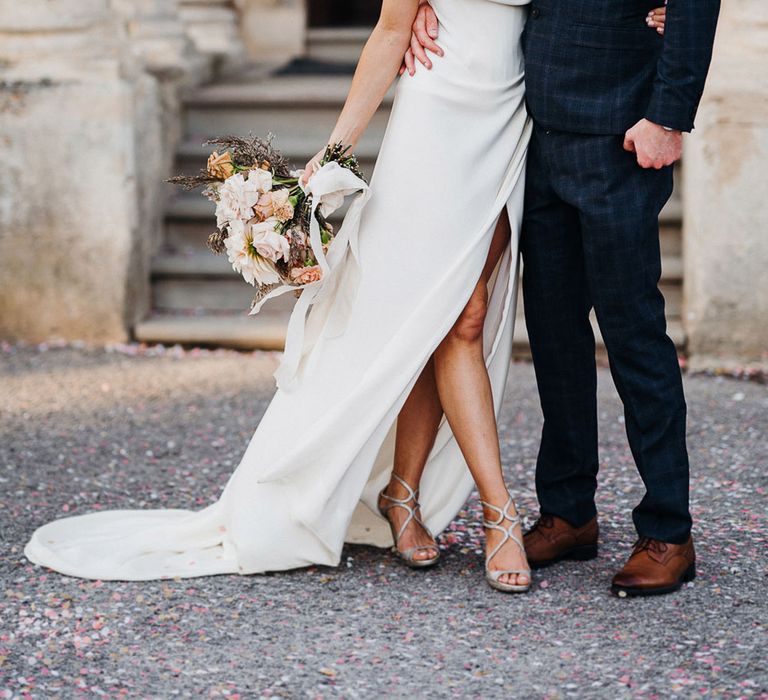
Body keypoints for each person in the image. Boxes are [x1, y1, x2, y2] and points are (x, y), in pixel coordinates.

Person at [405, 0, 719, 597]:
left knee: (633, 336)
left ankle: (668, 531)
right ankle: (570, 512)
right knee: (554, 337)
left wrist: (669, 115)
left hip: (623, 131)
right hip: (536, 134)